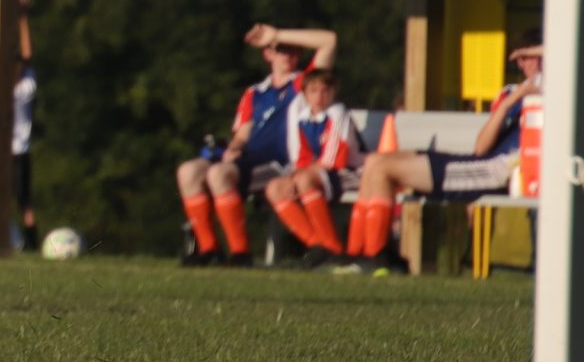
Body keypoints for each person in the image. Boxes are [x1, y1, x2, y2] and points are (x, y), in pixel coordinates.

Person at [342, 37, 541, 276]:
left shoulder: (555, 94)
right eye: (524, 58)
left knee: (384, 168)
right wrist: (511, 101)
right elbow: (481, 147)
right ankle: (360, 254)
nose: (531, 64)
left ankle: (375, 257)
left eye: (536, 57)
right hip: (479, 163)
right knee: (375, 162)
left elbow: (566, 52)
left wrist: (536, 58)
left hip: (497, 171)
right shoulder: (511, 94)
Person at [174, 23, 337, 267]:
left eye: (294, 50)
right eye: (281, 49)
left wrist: (277, 34)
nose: (288, 55)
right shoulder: (255, 93)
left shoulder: (304, 85)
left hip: (279, 161)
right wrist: (234, 147)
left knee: (219, 174)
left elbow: (329, 41)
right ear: (268, 54)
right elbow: (243, 133)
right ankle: (209, 249)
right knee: (188, 171)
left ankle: (240, 253)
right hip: (250, 157)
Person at [259, 69, 355, 268]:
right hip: (316, 173)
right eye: (313, 91)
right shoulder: (302, 118)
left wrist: (300, 175)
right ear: (305, 94)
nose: (319, 96)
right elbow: (300, 157)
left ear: (334, 92)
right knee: (275, 188)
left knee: (303, 180)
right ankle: (316, 246)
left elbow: (333, 158)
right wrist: (293, 176)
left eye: (325, 91)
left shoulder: (337, 113)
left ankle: (333, 247)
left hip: (346, 173)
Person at [13, 0, 40, 251]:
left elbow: (28, 53)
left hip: (19, 149)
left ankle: (31, 241)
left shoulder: (25, 87)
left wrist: (23, 19)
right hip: (0, 151)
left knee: (23, 199)